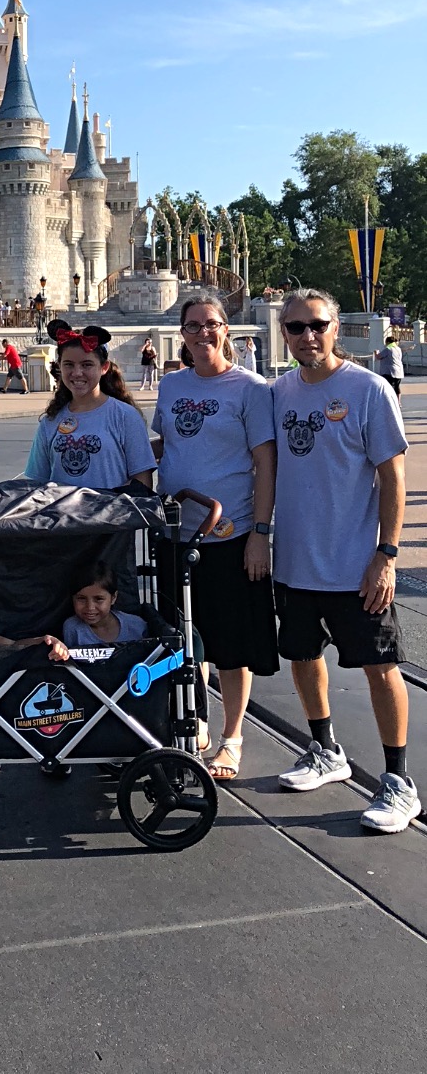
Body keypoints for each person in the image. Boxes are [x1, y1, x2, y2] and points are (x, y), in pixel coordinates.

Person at [272, 288, 417, 832]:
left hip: (357, 563)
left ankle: (399, 782)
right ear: (283, 334)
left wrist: (387, 554)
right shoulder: (278, 392)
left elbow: (393, 479)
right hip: (295, 561)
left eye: (318, 324)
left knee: (381, 669)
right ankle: (324, 749)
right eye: (296, 327)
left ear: (336, 328)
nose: (307, 336)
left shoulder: (369, 390)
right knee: (304, 659)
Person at [152, 294, 277, 783]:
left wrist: (260, 535)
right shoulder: (170, 386)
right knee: (189, 638)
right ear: (181, 333)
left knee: (231, 642)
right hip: (177, 533)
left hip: (231, 532)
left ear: (226, 329)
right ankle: (196, 719)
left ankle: (233, 736)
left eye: (212, 324)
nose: (203, 333)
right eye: (193, 326)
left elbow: (265, 462)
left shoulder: (250, 388)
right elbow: (168, 445)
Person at [25, 322, 154, 492]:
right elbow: (37, 483)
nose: (77, 372)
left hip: (112, 516)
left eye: (87, 365)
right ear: (59, 366)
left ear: (104, 367)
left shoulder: (125, 416)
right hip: (61, 517)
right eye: (69, 364)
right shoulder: (50, 421)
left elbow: (142, 483)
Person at [62, 566, 149, 646]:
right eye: (81, 598)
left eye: (99, 599)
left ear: (113, 598)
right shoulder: (72, 628)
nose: (90, 607)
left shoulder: (137, 625)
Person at [374, 335, 404, 400]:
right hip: (398, 371)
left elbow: (378, 357)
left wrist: (376, 353)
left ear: (388, 342)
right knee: (397, 387)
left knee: (388, 387)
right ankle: (398, 402)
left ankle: (390, 400)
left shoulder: (388, 349)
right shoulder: (398, 349)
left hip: (389, 372)